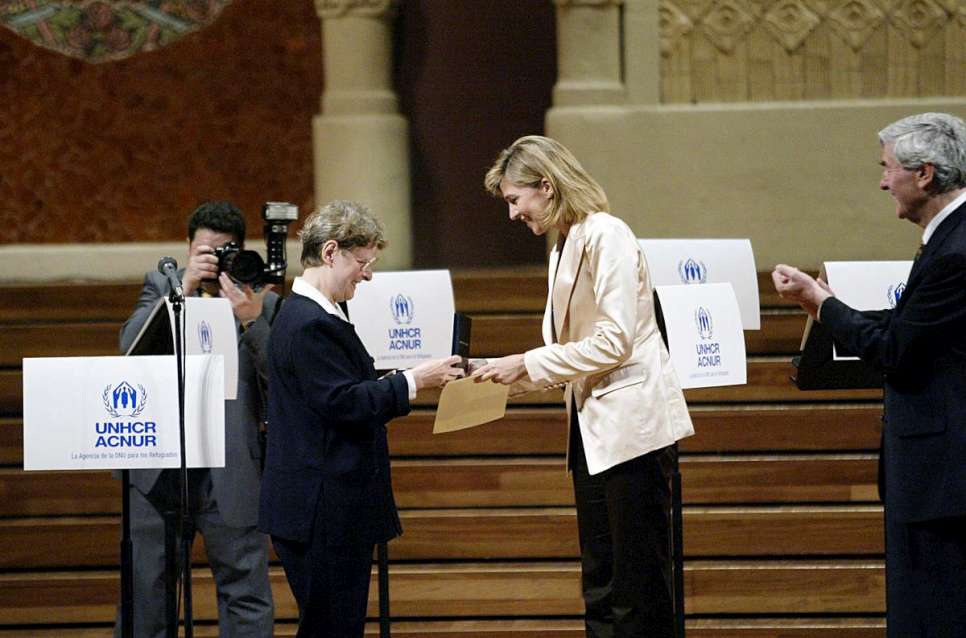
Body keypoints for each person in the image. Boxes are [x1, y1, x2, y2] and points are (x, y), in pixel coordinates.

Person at [474, 135, 694, 637]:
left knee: (637, 588)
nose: (512, 214)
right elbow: (565, 357)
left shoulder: (606, 233)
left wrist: (524, 361)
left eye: (514, 200)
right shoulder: (563, 246)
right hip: (591, 434)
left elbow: (614, 340)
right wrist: (492, 376)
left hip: (632, 431)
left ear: (546, 186)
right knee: (601, 583)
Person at [772, 112, 966, 637]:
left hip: (943, 480)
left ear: (923, 174)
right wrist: (825, 307)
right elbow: (915, 328)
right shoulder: (950, 239)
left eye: (886, 169)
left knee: (934, 618)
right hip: (940, 478)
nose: (882, 181)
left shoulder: (955, 251)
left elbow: (897, 349)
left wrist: (821, 302)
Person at [258, 199, 464, 638]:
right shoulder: (309, 322)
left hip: (325, 509)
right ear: (331, 252)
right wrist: (415, 380)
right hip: (322, 511)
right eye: (363, 262)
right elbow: (344, 404)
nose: (367, 275)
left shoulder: (312, 315)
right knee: (331, 628)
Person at [117, 201, 276, 637]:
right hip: (160, 471)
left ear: (241, 251)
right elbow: (130, 349)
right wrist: (182, 290)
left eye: (223, 252)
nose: (212, 261)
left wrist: (252, 319)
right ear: (188, 247)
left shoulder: (262, 299)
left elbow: (279, 375)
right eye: (204, 251)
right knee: (147, 597)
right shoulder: (161, 286)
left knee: (245, 593)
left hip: (231, 467)